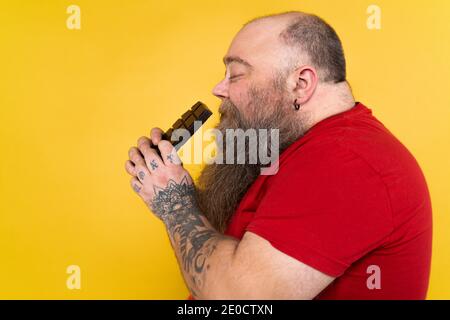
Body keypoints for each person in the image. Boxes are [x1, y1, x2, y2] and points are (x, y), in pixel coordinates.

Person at [125, 11, 432, 299]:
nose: (218, 89)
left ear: (300, 84)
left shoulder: (346, 161)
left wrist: (174, 204)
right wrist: (175, 183)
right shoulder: (289, 143)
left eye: (236, 74)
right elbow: (237, 233)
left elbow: (241, 297)